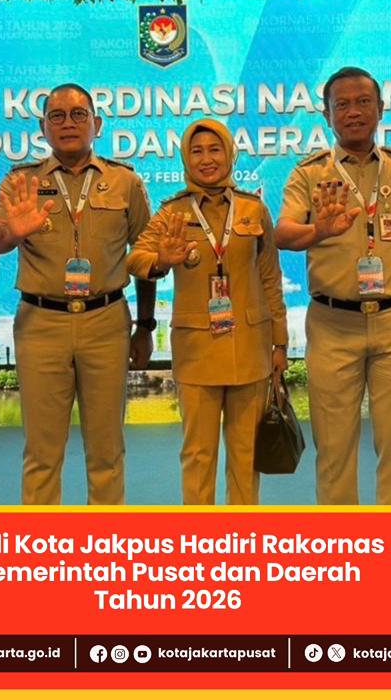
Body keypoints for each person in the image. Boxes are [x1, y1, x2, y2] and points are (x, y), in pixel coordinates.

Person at [275, 66, 391, 505]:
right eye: (342, 105)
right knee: (334, 454)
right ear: (327, 115)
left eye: (362, 102)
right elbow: (283, 234)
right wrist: (319, 230)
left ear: (380, 109)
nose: (353, 112)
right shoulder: (309, 174)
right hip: (333, 326)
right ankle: (345, 544)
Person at [0, 83, 155, 504]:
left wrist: (146, 325)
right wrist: (12, 232)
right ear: (42, 127)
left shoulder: (125, 181)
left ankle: (103, 542)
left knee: (107, 451)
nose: (68, 123)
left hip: (107, 322)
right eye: (56, 116)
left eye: (78, 115)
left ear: (97, 124)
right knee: (42, 453)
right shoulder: (20, 182)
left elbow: (145, 256)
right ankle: (44, 543)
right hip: (41, 324)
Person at [127, 118, 288, 504]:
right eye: (196, 151)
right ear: (186, 158)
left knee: (246, 457)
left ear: (230, 154)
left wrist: (280, 343)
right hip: (197, 351)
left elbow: (270, 278)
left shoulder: (253, 209)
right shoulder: (172, 213)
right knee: (198, 456)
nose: (206, 159)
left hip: (249, 348)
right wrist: (161, 261)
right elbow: (135, 259)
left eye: (215, 149)